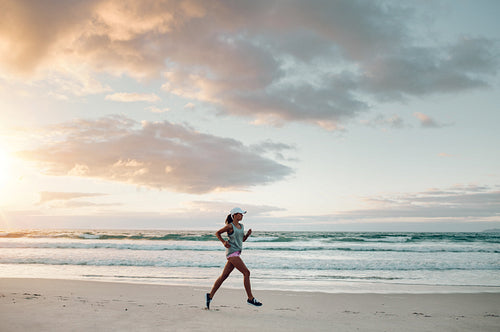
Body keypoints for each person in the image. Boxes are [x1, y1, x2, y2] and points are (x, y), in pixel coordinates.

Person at [205, 207, 262, 309]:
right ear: (234, 215)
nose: (242, 215)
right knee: (246, 272)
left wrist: (248, 235)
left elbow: (242, 240)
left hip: (237, 252)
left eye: (242, 214)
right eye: (240, 214)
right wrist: (223, 242)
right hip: (232, 253)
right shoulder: (230, 226)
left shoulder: (241, 226)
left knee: (224, 276)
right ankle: (250, 298)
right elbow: (217, 233)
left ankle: (210, 295)